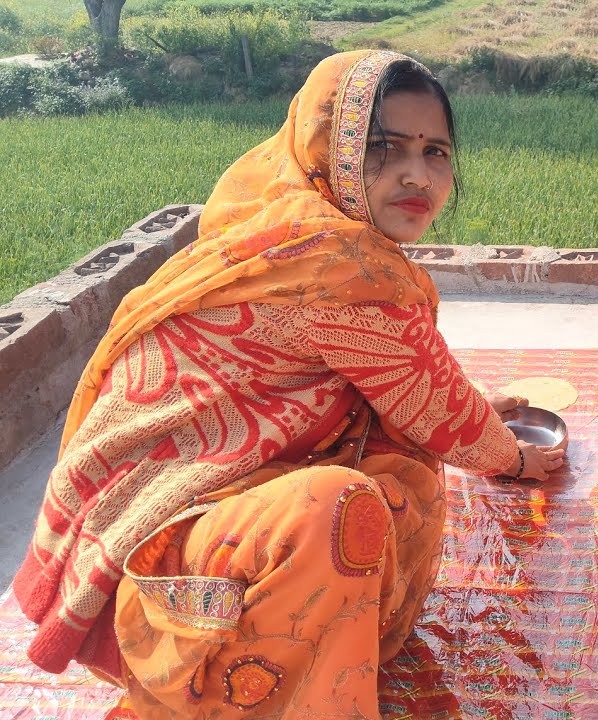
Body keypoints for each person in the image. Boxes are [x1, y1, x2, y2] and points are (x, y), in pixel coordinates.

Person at [13, 50, 564, 717]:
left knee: (399, 458)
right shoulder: (340, 264)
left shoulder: (276, 211)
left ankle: (315, 644)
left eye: (435, 151)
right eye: (382, 147)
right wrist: (516, 459)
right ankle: (249, 691)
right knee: (338, 510)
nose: (416, 174)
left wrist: (472, 413)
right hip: (161, 561)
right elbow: (433, 405)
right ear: (324, 151)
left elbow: (411, 382)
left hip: (214, 510)